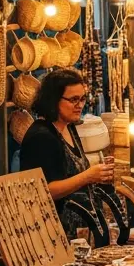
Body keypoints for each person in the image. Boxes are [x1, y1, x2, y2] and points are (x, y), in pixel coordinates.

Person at [20, 68, 116, 236]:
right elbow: (44, 190)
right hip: (57, 233)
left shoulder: (69, 127)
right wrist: (88, 176)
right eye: (73, 100)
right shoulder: (41, 137)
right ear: (54, 100)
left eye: (82, 99)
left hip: (82, 229)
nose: (79, 105)